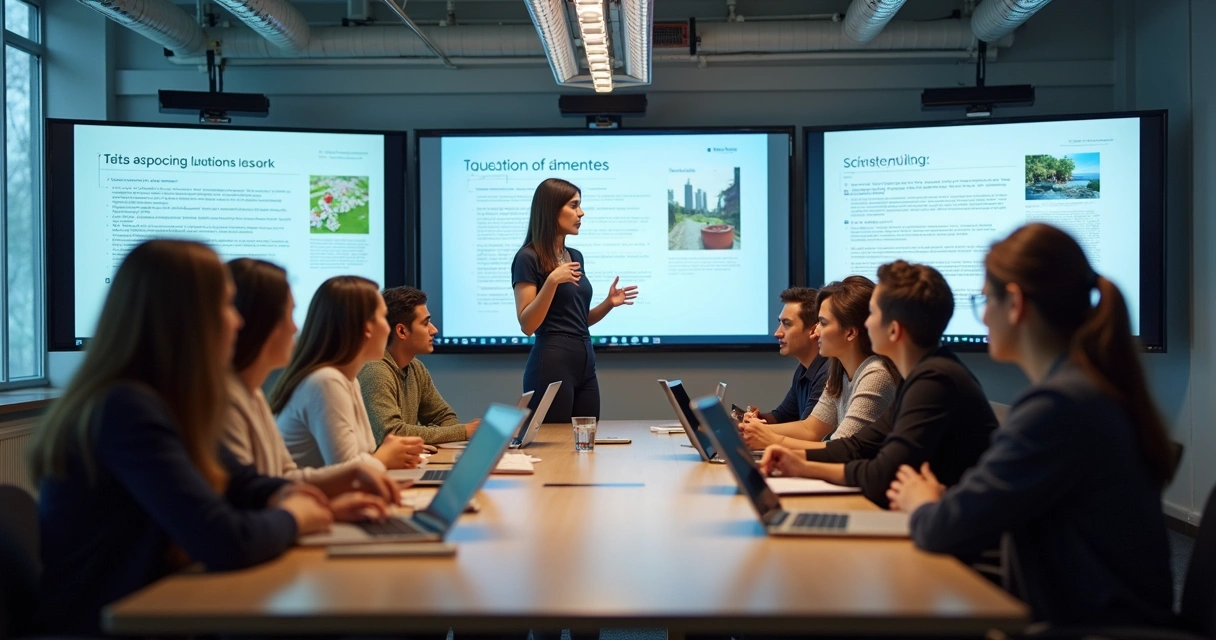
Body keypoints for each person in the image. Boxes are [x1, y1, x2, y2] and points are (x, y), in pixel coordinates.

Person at [27, 240, 337, 635]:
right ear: (185, 319)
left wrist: (284, 495)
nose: (238, 322)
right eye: (225, 305)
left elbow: (241, 480)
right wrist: (294, 517)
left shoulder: (163, 401)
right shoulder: (126, 408)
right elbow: (224, 541)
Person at [887, 223, 1177, 627]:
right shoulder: (1086, 390)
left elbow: (945, 530)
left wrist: (922, 502)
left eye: (985, 299)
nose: (984, 314)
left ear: (1016, 303)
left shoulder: (1058, 407)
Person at [759, 261, 998, 508]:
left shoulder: (935, 381)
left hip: (954, 534)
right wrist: (799, 462)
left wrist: (804, 464)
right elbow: (856, 447)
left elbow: (882, 474)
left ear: (894, 330)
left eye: (872, 314)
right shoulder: (922, 375)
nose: (866, 324)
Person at [224, 258, 405, 510]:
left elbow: (283, 478)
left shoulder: (253, 394)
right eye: (288, 315)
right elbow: (342, 465)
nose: (294, 327)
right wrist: (380, 460)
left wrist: (333, 507)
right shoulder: (325, 381)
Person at [511, 178, 638, 424]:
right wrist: (551, 282)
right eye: (573, 205)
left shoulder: (575, 255)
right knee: (554, 448)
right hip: (552, 362)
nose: (581, 212)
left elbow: (578, 320)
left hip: (585, 362)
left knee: (586, 442)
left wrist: (608, 304)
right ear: (551, 209)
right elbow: (527, 325)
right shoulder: (527, 257)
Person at [270, 275, 426, 471]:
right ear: (366, 328)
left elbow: (363, 458)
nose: (388, 329)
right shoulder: (326, 381)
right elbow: (348, 470)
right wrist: (384, 457)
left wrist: (383, 458)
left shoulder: (348, 380)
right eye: (383, 318)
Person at [740, 276, 898, 449]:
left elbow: (840, 449)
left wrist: (771, 439)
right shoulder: (840, 372)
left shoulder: (875, 375)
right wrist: (756, 430)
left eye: (822, 322)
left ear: (850, 333)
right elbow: (811, 429)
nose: (816, 331)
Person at [358, 286, 479, 446]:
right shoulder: (374, 371)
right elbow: (392, 433)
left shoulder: (415, 367)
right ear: (402, 331)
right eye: (426, 323)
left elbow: (443, 416)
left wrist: (456, 433)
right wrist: (463, 431)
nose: (434, 330)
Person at [743, 287, 830, 425]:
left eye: (787, 324)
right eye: (780, 323)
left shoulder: (828, 373)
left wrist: (755, 429)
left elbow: (806, 431)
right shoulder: (803, 369)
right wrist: (755, 419)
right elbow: (780, 417)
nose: (777, 333)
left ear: (814, 330)